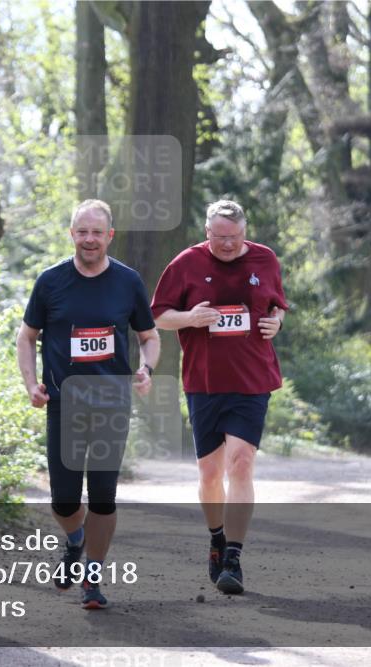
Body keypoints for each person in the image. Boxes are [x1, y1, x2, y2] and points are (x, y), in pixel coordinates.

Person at [17, 199, 160, 609]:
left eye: (97, 232)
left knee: (102, 496)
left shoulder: (128, 282)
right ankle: (75, 538)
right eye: (83, 231)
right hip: (64, 404)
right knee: (63, 500)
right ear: (72, 234)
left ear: (110, 236)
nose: (90, 239)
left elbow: (149, 336)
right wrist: (31, 384)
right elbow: (26, 337)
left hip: (112, 404)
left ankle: (92, 579)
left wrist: (147, 369)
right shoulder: (50, 282)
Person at [150, 200, 287, 595]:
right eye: (219, 238)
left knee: (241, 463)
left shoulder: (265, 259)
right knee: (210, 475)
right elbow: (157, 315)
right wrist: (191, 317)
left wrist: (276, 322)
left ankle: (233, 557)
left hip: (252, 378)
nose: (227, 245)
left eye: (234, 237)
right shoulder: (186, 263)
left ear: (245, 232)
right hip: (204, 382)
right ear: (206, 232)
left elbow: (278, 306)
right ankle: (216, 538)